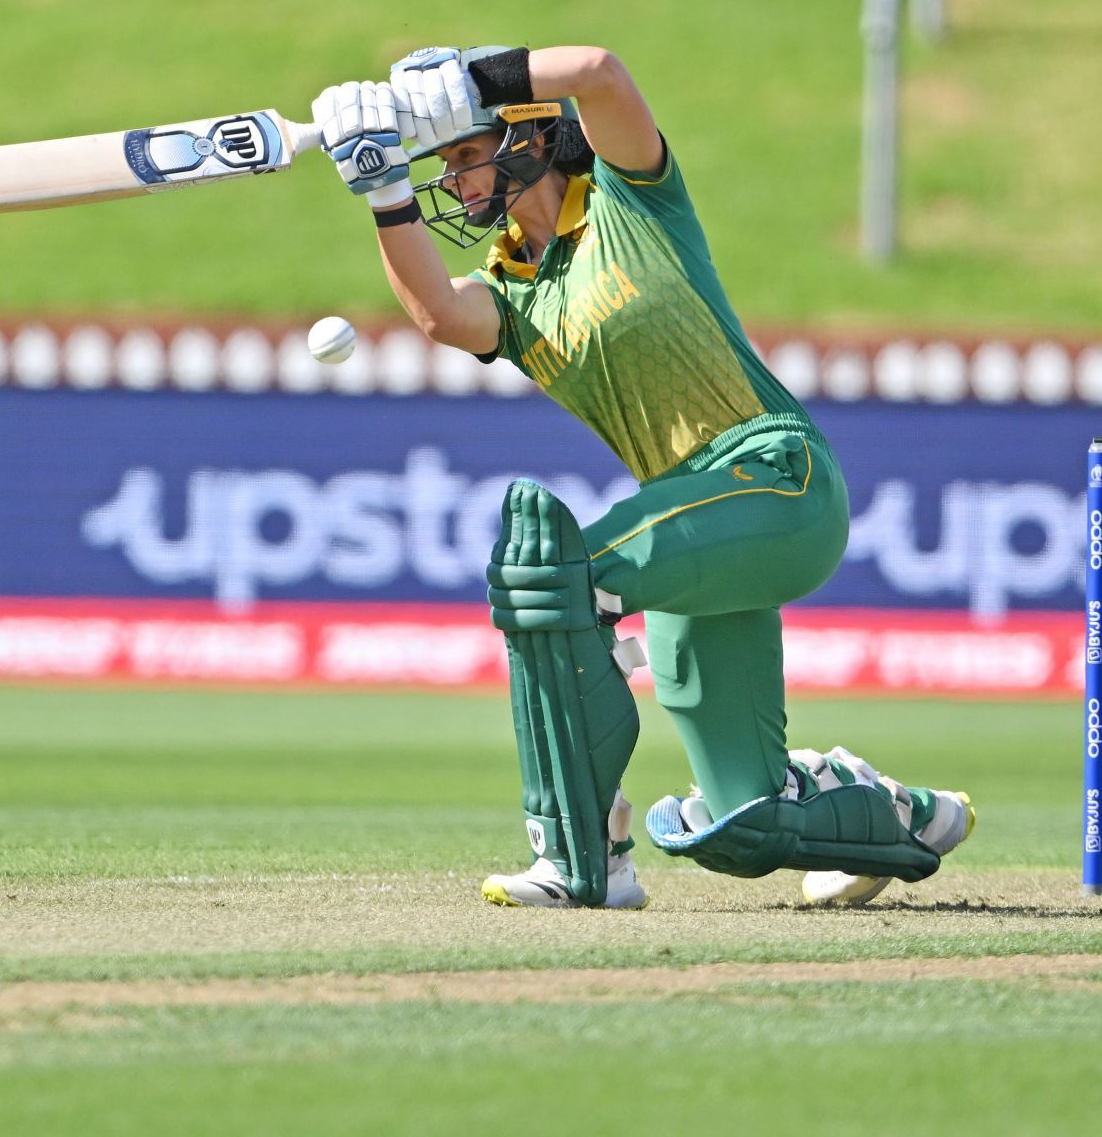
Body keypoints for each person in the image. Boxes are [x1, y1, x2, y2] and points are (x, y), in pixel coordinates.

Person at [309, 46, 972, 908]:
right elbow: (438, 312)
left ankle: (588, 853)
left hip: (776, 478)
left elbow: (599, 72)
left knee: (555, 577)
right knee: (748, 824)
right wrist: (382, 190)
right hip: (702, 530)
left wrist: (474, 79)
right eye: (445, 165)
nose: (457, 182)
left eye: (466, 154)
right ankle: (901, 813)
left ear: (530, 140)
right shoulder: (509, 293)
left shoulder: (630, 195)